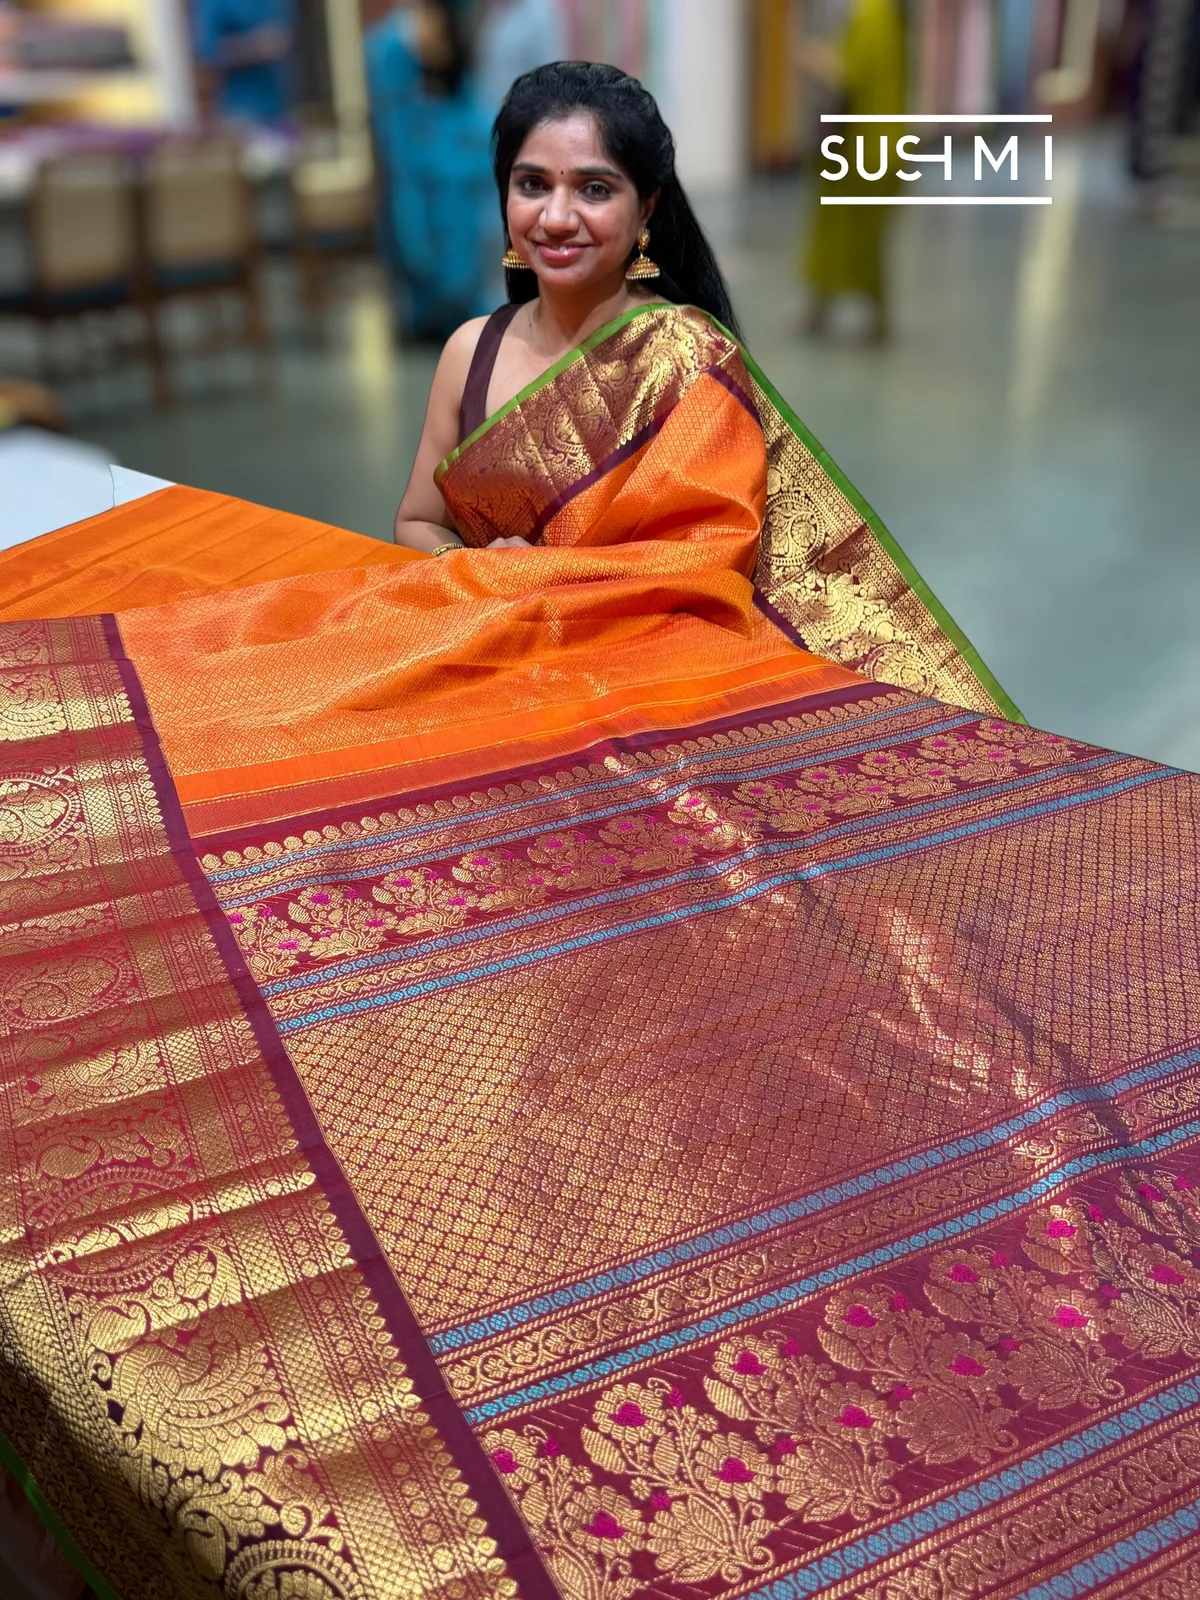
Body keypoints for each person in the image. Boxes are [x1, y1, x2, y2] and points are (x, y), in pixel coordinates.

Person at [3, 61, 1200, 1600]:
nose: (558, 214)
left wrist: (556, 600)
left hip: (648, 667)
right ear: (502, 203)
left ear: (646, 217)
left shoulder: (679, 360)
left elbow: (702, 563)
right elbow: (425, 525)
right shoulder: (472, 350)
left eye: (595, 188)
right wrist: (486, 587)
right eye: (533, 184)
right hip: (500, 673)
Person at [366, 0, 495, 338]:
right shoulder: (388, 48)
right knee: (420, 235)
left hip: (453, 164)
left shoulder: (450, 23)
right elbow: (394, 146)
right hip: (418, 166)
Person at [796, 0, 906, 341]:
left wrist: (812, 59)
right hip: (852, 148)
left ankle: (877, 321)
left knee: (862, 238)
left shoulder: (874, 17)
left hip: (870, 150)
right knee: (832, 229)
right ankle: (821, 308)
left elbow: (848, 74)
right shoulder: (869, 15)